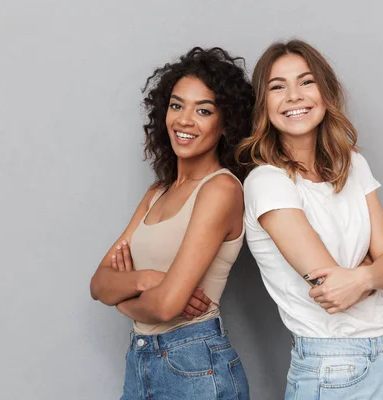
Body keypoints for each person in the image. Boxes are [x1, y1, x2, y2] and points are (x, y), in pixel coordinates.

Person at [237, 39, 383, 399]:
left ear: (325, 91)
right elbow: (332, 291)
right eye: (277, 87)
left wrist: (361, 275)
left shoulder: (353, 164)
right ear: (263, 104)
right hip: (333, 365)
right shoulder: (267, 183)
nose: (293, 96)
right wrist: (369, 271)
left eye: (306, 81)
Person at [90, 47, 254, 400]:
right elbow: (98, 283)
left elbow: (165, 307)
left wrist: (122, 301)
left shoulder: (221, 190)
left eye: (204, 110)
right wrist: (146, 280)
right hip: (141, 358)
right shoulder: (156, 193)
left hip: (194, 362)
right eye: (177, 105)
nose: (184, 120)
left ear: (226, 124)